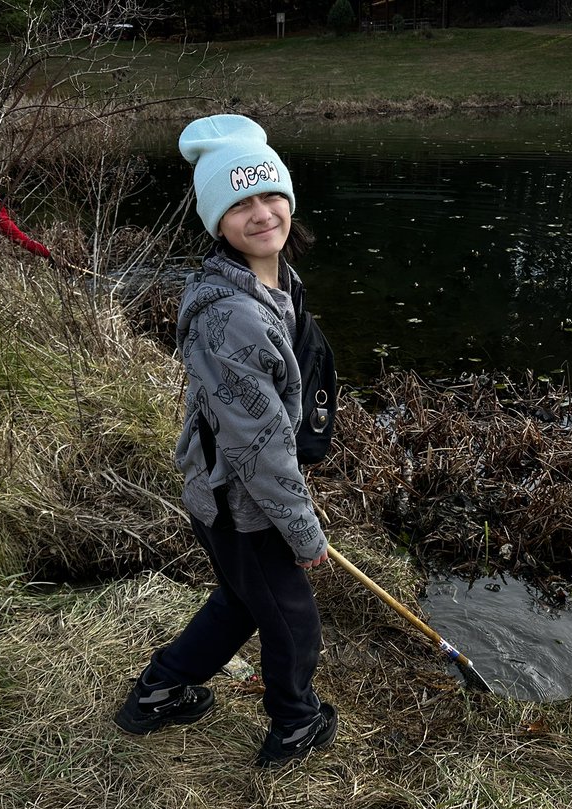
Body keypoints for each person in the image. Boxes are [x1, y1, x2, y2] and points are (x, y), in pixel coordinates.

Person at [115, 114, 337, 769]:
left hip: (238, 493)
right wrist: (304, 532)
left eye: (271, 195)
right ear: (217, 220)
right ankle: (295, 725)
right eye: (239, 202)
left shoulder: (275, 282)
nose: (262, 212)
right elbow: (259, 447)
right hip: (242, 502)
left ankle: (158, 691)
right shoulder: (233, 318)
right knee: (292, 619)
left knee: (244, 602)